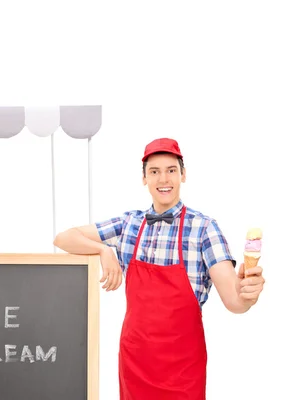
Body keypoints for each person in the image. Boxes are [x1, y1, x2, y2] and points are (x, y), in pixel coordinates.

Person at [53, 137, 265, 400]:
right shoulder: (129, 224)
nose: (163, 179)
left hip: (183, 369)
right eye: (154, 171)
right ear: (144, 178)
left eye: (171, 170)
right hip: (135, 363)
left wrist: (248, 294)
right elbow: (63, 238)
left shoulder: (204, 229)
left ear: (183, 175)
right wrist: (103, 250)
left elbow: (234, 301)